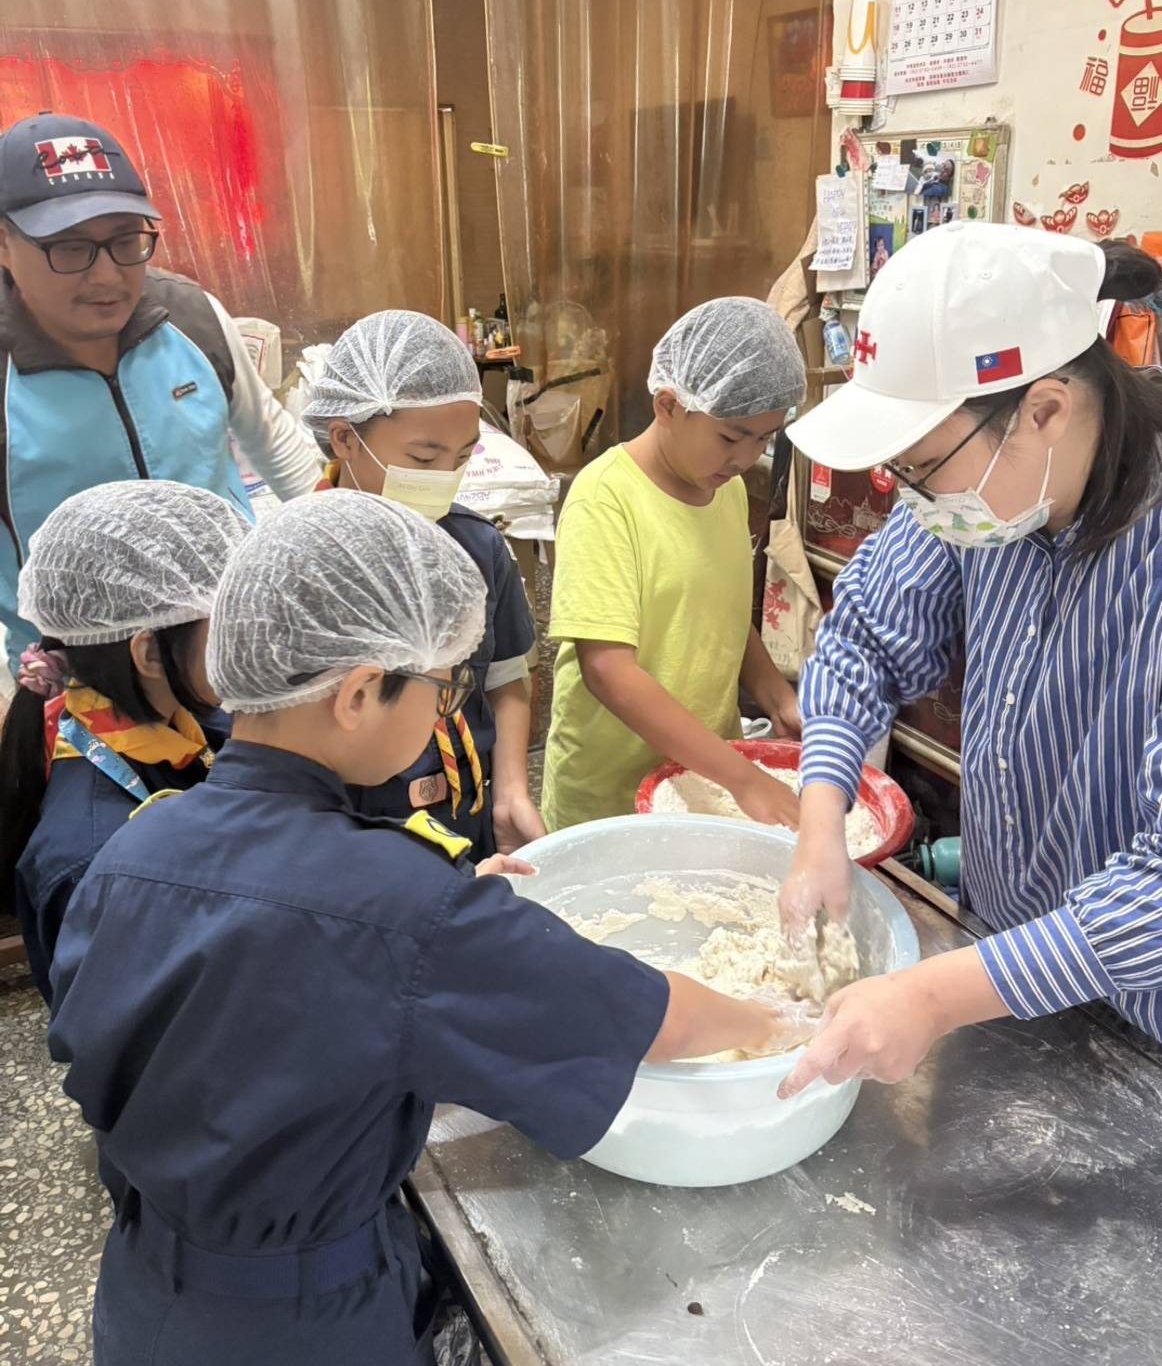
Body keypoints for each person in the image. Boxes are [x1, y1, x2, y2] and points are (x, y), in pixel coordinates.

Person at [47, 490, 806, 1365]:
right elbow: (647, 1017)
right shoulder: (407, 911)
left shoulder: (133, 846)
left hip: (143, 1291)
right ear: (358, 693)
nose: (444, 716)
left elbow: (215, 1003)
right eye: (443, 689)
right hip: (304, 1325)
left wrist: (425, 917)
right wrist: (776, 1019)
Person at [777, 221, 1162, 1096]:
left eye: (923, 466)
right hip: (1001, 977)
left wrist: (932, 997)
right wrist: (822, 819)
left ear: (1046, 410)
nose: (913, 497)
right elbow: (865, 639)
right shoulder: (985, 499)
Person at [0, 111, 321, 670]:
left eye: (127, 240)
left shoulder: (191, 317)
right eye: (70, 249)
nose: (107, 276)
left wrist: (335, 549)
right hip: (78, 672)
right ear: (4, 244)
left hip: (225, 639)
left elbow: (272, 439)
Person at [542, 297, 809, 831]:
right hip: (609, 796)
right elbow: (607, 669)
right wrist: (743, 779)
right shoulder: (607, 498)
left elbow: (720, 616)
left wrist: (777, 696)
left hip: (704, 778)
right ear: (667, 405)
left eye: (763, 439)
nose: (744, 459)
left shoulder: (726, 490)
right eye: (731, 437)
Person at [301, 310, 543, 856]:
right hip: (354, 837)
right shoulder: (304, 566)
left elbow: (506, 680)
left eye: (462, 456)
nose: (444, 478)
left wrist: (510, 792)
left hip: (467, 814)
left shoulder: (477, 548)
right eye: (423, 457)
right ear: (344, 438)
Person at [0, 481, 250, 1003]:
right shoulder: (93, 862)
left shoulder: (189, 719)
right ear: (149, 653)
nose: (249, 635)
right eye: (229, 619)